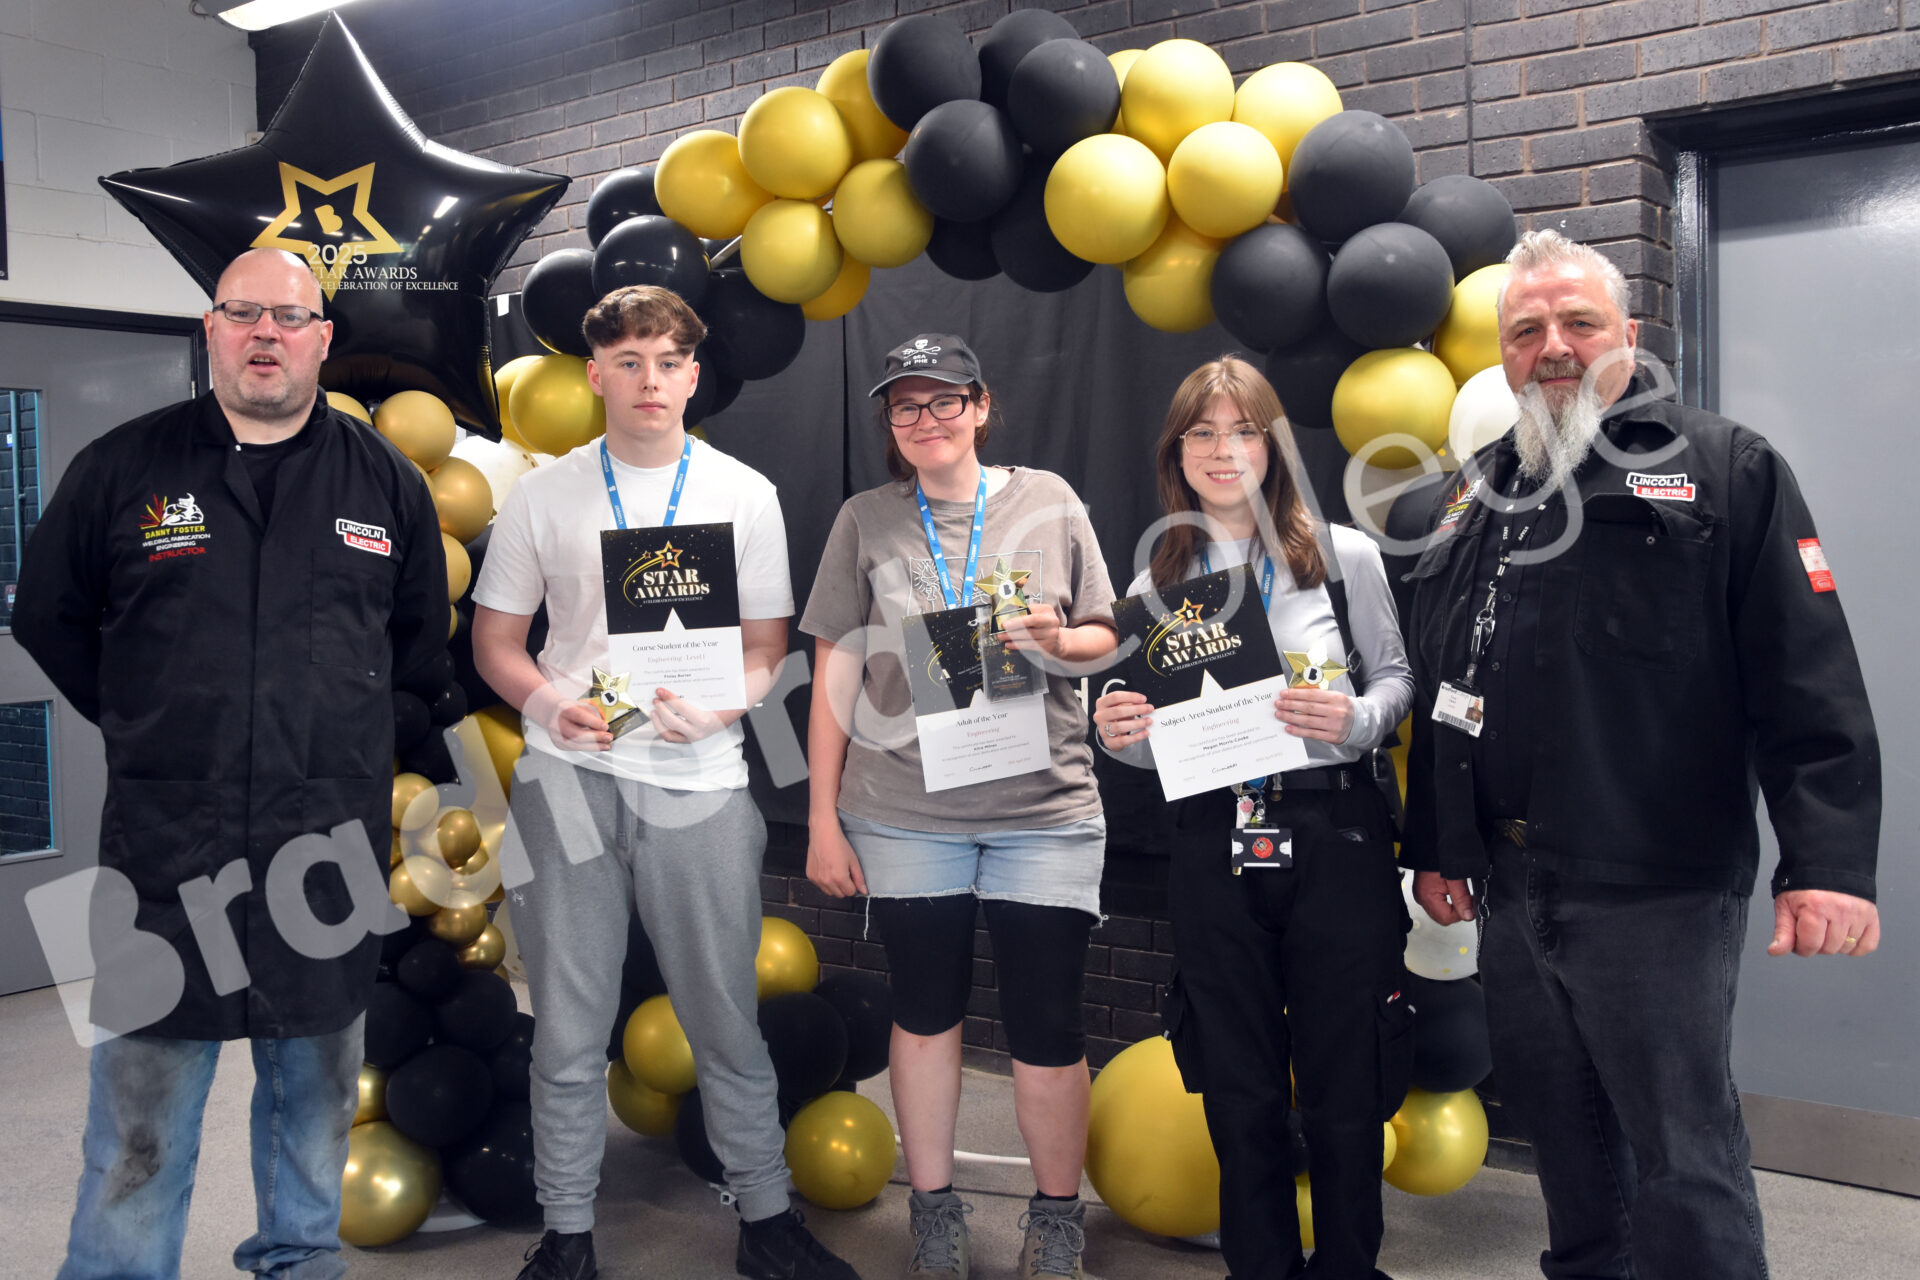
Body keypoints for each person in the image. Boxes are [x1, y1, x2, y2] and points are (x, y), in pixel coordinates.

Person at [1401, 229, 1882, 1280]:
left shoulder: (1724, 467)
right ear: (1502, 353)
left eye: (1578, 322)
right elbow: (1448, 683)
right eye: (1526, 330)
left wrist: (1829, 861)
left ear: (1627, 332)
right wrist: (1439, 845)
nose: (1553, 346)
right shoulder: (1471, 495)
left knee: (1682, 1152)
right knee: (1566, 1142)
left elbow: (1805, 670)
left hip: (1655, 885)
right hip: (1510, 884)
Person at [13, 246, 449, 1279]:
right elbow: (48, 617)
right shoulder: (122, 468)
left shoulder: (384, 481)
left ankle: (298, 1262)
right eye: (243, 312)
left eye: (290, 317)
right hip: (166, 853)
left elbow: (415, 643)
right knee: (140, 1123)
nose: (267, 334)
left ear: (323, 340)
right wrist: (145, 719)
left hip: (326, 854)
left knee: (315, 1106)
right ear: (209, 329)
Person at [471, 285, 856, 1280]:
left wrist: (730, 706)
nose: (651, 380)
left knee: (724, 1015)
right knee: (566, 1026)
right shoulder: (543, 495)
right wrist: (546, 701)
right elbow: (496, 641)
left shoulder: (743, 492)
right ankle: (566, 1235)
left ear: (693, 375)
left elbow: (767, 649)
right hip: (569, 779)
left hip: (700, 780)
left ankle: (766, 1218)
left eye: (670, 362)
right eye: (630, 362)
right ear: (595, 374)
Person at [802, 334, 1119, 1280]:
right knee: (926, 1011)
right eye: (906, 406)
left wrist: (1060, 640)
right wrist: (821, 818)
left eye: (945, 401)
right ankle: (933, 1212)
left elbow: (1106, 634)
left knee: (1048, 1024)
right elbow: (836, 670)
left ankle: (1055, 1220)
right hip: (904, 810)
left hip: (1044, 810)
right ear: (890, 423)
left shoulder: (1049, 499)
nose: (926, 420)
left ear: (981, 406)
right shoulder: (865, 518)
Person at [1093, 356, 1415, 1280]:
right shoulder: (1158, 579)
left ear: (1274, 445)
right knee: (1238, 1085)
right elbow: (1152, 742)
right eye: (1201, 432)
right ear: (1176, 452)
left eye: (1243, 431)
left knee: (1345, 1081)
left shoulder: (1342, 557)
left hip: (1335, 835)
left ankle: (1348, 1266)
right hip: (1214, 839)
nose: (1222, 449)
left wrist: (1355, 721)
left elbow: (1397, 680)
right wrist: (1118, 734)